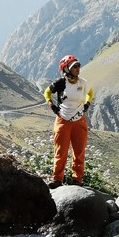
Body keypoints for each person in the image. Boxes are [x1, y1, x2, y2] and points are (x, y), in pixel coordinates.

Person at [44, 55, 94, 188]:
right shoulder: (60, 82)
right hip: (63, 120)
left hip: (80, 121)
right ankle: (57, 179)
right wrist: (51, 105)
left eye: (78, 66)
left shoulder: (83, 82)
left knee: (79, 151)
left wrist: (87, 104)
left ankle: (77, 179)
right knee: (61, 151)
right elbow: (47, 93)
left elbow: (90, 92)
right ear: (66, 69)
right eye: (74, 67)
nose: (78, 69)